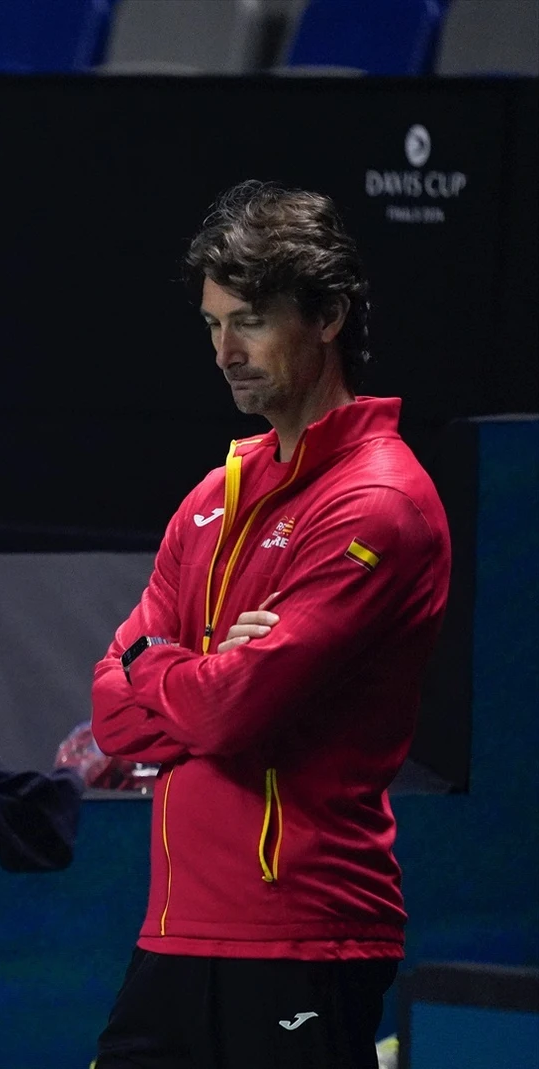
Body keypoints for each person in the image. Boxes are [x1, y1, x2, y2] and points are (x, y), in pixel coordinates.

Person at [90, 181, 451, 1069]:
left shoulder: (380, 502)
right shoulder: (213, 498)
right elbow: (110, 710)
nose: (225, 351)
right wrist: (199, 664)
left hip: (306, 940)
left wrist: (169, 668)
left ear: (328, 315)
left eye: (250, 319)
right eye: (213, 325)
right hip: (175, 936)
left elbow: (232, 714)